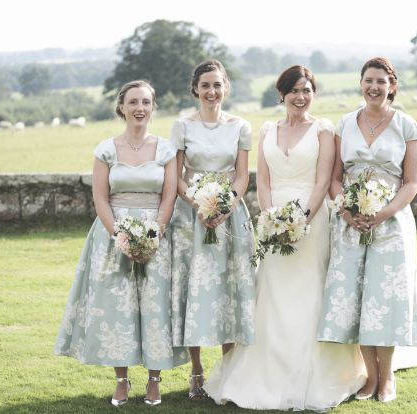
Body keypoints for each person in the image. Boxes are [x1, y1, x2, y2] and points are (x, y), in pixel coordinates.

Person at [204, 65, 366, 411]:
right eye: (294, 90)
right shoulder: (266, 130)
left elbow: (324, 180)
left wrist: (301, 220)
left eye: (307, 90)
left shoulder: (324, 130)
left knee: (309, 291)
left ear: (314, 94)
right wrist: (271, 218)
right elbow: (261, 180)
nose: (300, 97)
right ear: (282, 94)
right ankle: (266, 373)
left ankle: (316, 374)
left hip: (312, 218)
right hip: (273, 220)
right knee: (272, 292)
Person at [54, 80, 188, 407]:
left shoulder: (166, 150)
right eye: (133, 102)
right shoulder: (106, 149)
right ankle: (122, 380)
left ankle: (154, 381)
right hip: (114, 234)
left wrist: (156, 231)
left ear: (153, 107)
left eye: (145, 102)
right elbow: (100, 197)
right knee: (120, 309)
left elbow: (169, 195)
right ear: (122, 107)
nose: (139, 108)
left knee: (156, 308)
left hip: (157, 236)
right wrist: (119, 235)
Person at [318, 57, 417, 403]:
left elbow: (411, 183)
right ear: (360, 83)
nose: (374, 87)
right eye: (368, 80)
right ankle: (369, 376)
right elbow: (335, 178)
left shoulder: (407, 125)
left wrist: (382, 213)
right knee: (357, 297)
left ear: (391, 86)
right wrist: (348, 213)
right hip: (350, 224)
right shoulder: (345, 123)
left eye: (381, 81)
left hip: (391, 224)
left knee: (386, 298)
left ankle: (388, 376)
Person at [168, 60, 256, 399]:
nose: (211, 91)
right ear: (195, 89)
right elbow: (175, 176)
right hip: (190, 217)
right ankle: (197, 372)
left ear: (226, 88)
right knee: (193, 290)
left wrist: (225, 205)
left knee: (229, 290)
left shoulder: (241, 126)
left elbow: (242, 175)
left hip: (230, 215)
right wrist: (199, 205)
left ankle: (229, 372)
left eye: (217, 85)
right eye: (205, 85)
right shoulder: (182, 127)